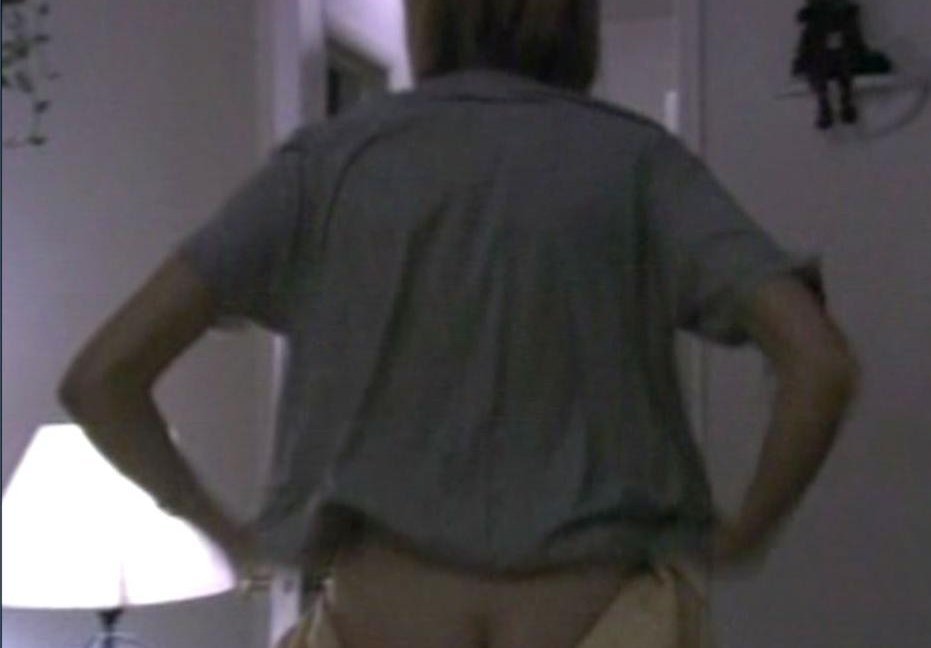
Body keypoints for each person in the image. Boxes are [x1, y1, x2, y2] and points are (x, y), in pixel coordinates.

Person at [58, 0, 858, 646]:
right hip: (603, 617)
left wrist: (221, 529)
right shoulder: (641, 164)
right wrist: (746, 534)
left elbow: (101, 381)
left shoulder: (323, 167)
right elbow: (819, 364)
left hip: (380, 615)